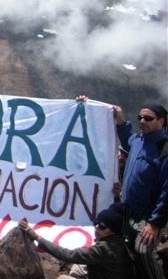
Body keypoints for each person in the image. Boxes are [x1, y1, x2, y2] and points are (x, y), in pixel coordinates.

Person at [113, 102, 168, 279]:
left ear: (161, 121)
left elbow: (167, 192)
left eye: (148, 118)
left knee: (143, 253)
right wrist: (121, 121)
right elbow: (127, 138)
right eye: (140, 118)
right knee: (130, 253)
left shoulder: (164, 150)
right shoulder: (138, 140)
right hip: (127, 210)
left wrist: (154, 223)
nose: (142, 121)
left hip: (147, 216)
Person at [19, 203, 136, 279]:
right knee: (78, 268)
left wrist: (37, 238)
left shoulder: (104, 249)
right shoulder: (120, 242)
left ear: (112, 231)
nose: (96, 228)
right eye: (96, 223)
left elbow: (68, 255)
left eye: (102, 226)